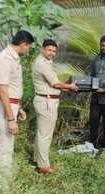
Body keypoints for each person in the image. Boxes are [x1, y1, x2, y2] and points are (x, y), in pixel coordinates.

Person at [0, 30, 34, 190]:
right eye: (28, 47)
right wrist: (10, 119)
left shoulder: (12, 58)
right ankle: (3, 187)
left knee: (8, 145)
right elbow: (3, 90)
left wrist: (18, 108)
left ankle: (5, 183)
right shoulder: (5, 59)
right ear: (23, 44)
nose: (28, 50)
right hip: (3, 107)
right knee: (4, 147)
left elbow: (11, 88)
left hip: (10, 105)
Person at [33, 39, 79, 174]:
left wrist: (66, 88)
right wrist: (69, 86)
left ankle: (37, 159)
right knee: (45, 135)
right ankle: (43, 166)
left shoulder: (46, 62)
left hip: (46, 100)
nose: (52, 53)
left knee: (41, 132)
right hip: (46, 102)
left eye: (54, 51)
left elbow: (54, 83)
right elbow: (54, 84)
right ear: (42, 49)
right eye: (49, 50)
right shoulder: (42, 64)